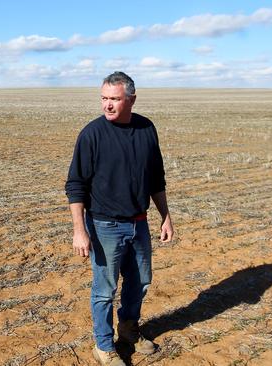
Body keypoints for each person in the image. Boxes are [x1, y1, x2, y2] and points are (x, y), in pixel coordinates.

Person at [65, 71, 174, 365]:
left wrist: (165, 215)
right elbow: (75, 184)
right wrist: (79, 230)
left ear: (131, 99)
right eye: (104, 98)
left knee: (140, 282)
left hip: (139, 222)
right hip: (104, 225)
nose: (107, 105)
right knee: (105, 289)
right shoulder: (92, 134)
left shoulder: (146, 129)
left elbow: (156, 178)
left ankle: (127, 329)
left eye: (114, 99)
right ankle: (103, 345)